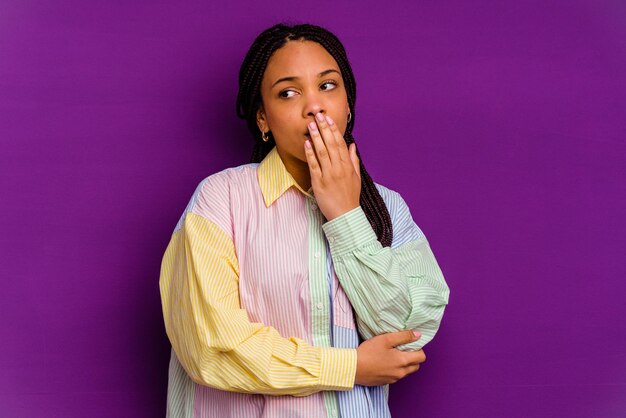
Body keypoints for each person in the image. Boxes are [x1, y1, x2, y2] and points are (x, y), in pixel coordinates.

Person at [159, 23, 450, 418]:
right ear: (263, 118)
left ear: (348, 104)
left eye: (328, 86)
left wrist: (346, 216)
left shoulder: (389, 208)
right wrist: (348, 367)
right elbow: (212, 347)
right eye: (288, 93)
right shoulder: (220, 199)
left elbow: (404, 337)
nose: (314, 106)